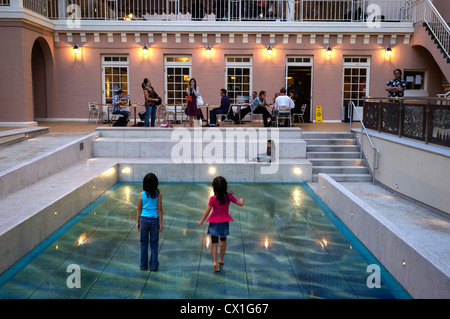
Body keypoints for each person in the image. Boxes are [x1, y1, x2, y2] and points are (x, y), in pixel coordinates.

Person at [197, 176, 244, 272]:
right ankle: (221, 259)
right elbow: (240, 204)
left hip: (214, 223)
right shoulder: (229, 197)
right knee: (223, 242)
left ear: (214, 188)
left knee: (214, 243)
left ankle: (214, 262)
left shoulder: (213, 199)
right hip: (224, 223)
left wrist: (201, 221)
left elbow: (207, 212)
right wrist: (242, 200)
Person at [136, 173, 163, 271]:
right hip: (154, 220)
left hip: (143, 219)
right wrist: (161, 223)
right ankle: (153, 266)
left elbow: (139, 209)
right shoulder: (158, 195)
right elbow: (160, 210)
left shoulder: (141, 194)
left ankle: (143, 265)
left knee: (143, 243)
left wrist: (137, 222)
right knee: (154, 244)